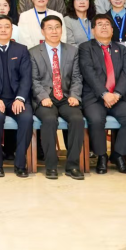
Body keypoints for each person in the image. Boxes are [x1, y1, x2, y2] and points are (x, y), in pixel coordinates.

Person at [78, 14, 126, 174]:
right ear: (93, 30)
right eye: (100, 24)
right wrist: (104, 94)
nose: (104, 27)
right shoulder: (85, 48)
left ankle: (118, 155)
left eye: (107, 24)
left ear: (112, 30)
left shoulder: (121, 49)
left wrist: (117, 94)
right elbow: (89, 73)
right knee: (96, 119)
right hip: (94, 97)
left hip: (119, 97)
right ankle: (101, 156)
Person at [30, 16, 84, 180]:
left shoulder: (72, 51)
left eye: (57, 27)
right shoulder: (33, 52)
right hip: (44, 98)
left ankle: (72, 165)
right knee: (49, 120)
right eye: (49, 28)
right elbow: (33, 80)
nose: (54, 31)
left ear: (62, 30)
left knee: (77, 119)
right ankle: (51, 166)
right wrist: (42, 97)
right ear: (43, 31)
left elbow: (77, 77)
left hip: (66, 97)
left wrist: (74, 95)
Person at [0, 15, 33, 178]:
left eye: (7, 26)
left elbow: (26, 77)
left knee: (26, 118)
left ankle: (20, 164)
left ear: (12, 29)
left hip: (16, 99)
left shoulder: (21, 50)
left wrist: (20, 98)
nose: (3, 30)